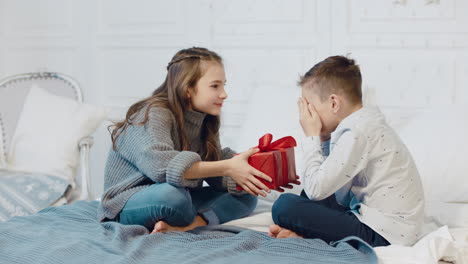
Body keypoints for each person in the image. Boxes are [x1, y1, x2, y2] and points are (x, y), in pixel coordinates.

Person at [98, 47, 272, 234]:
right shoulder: (154, 113)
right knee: (172, 197)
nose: (224, 94)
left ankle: (190, 224)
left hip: (182, 195)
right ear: (188, 88)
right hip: (129, 201)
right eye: (215, 86)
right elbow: (160, 167)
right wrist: (228, 166)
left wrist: (250, 171)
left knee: (246, 195)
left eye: (224, 85)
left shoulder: (205, 118)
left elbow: (212, 167)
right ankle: (191, 215)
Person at [269, 55, 425, 247]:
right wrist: (323, 138)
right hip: (384, 224)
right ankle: (301, 232)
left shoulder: (357, 132)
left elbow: (318, 190)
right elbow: (334, 186)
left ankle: (303, 233)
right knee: (306, 196)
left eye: (310, 107)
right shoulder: (364, 123)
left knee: (284, 206)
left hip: (385, 234)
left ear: (333, 103)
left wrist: (311, 137)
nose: (307, 115)